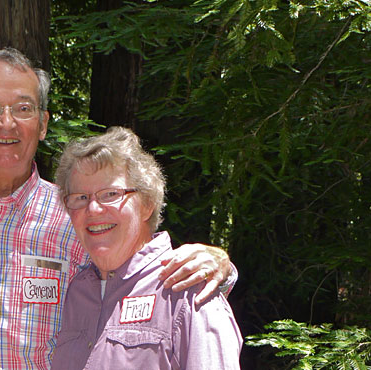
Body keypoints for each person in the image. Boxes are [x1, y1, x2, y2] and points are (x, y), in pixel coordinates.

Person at [0, 48, 237, 369]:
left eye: (23, 108)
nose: (6, 122)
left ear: (42, 124)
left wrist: (219, 266)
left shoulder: (77, 217)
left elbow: (141, 276)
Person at [51, 127, 242, 369]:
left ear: (147, 204)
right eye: (80, 198)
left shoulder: (185, 289)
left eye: (111, 194)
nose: (93, 209)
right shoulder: (77, 293)